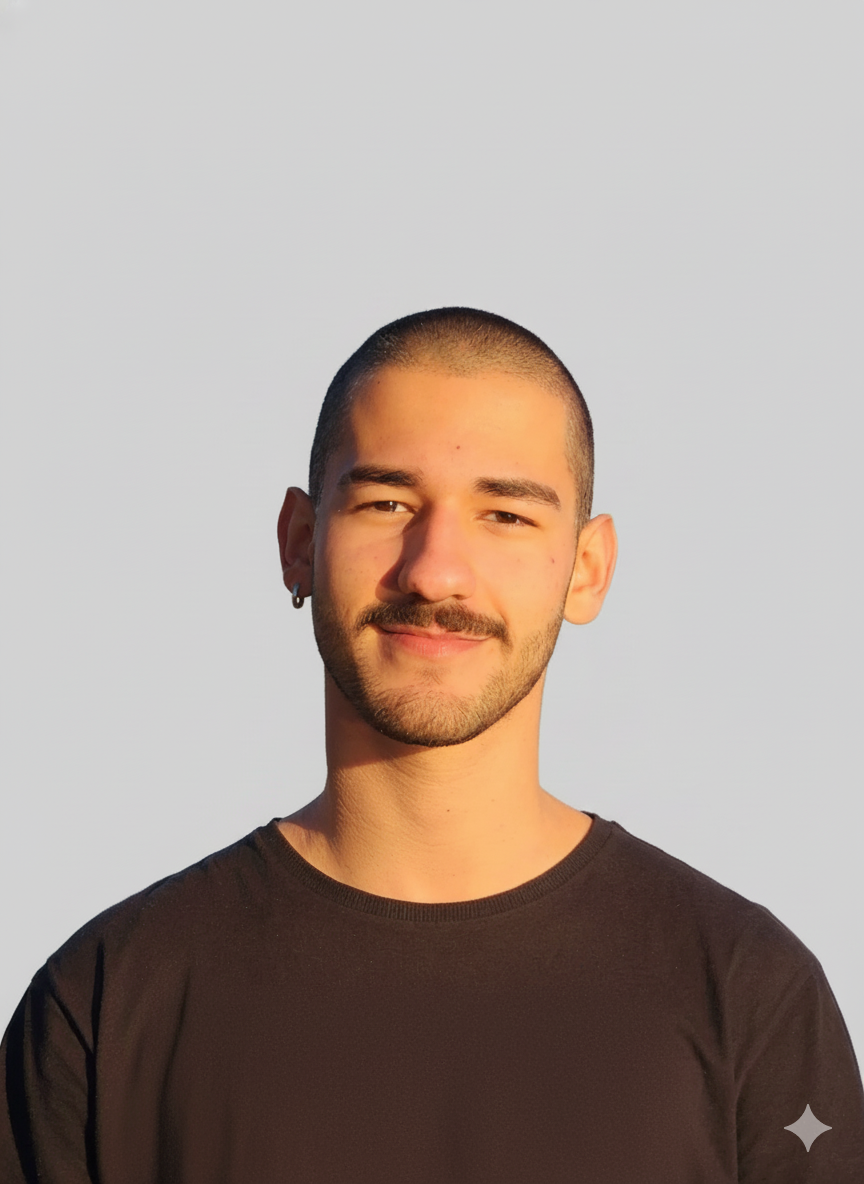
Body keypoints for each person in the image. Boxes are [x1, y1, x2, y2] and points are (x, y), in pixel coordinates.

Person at [1, 307, 862, 1183]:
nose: (435, 570)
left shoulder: (749, 997)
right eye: (387, 503)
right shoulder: (106, 1003)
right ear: (299, 542)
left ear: (587, 568)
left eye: (506, 516)